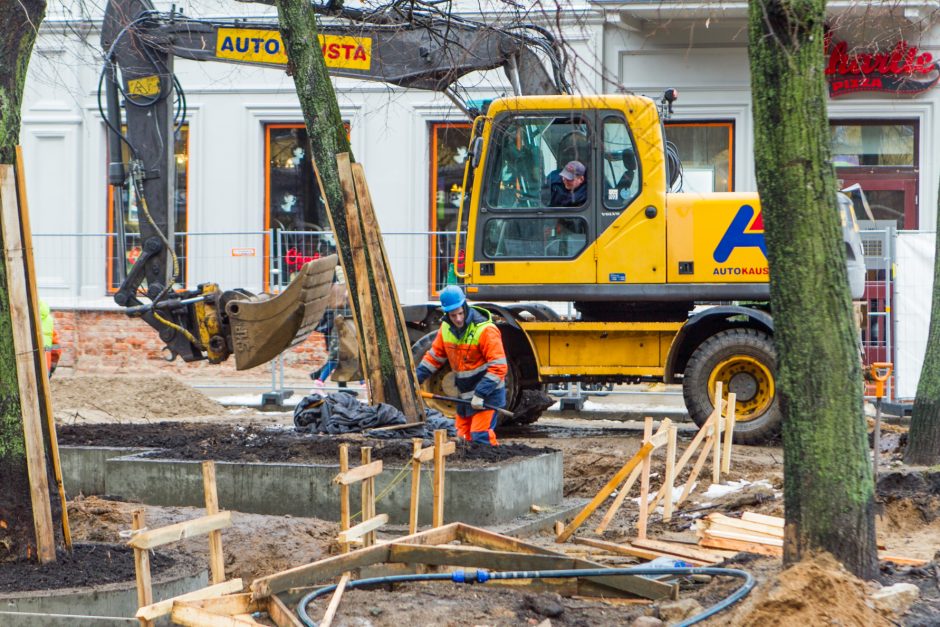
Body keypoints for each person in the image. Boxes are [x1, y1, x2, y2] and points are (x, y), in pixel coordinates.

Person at [416, 286, 507, 446]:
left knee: (480, 436)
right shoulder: (446, 329)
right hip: (464, 395)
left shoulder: (486, 330)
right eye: (453, 315)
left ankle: (488, 466)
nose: (458, 319)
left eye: (460, 313)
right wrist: (415, 379)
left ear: (465, 306)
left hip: (487, 396)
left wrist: (481, 394)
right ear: (446, 314)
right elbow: (434, 357)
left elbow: (498, 367)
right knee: (461, 438)